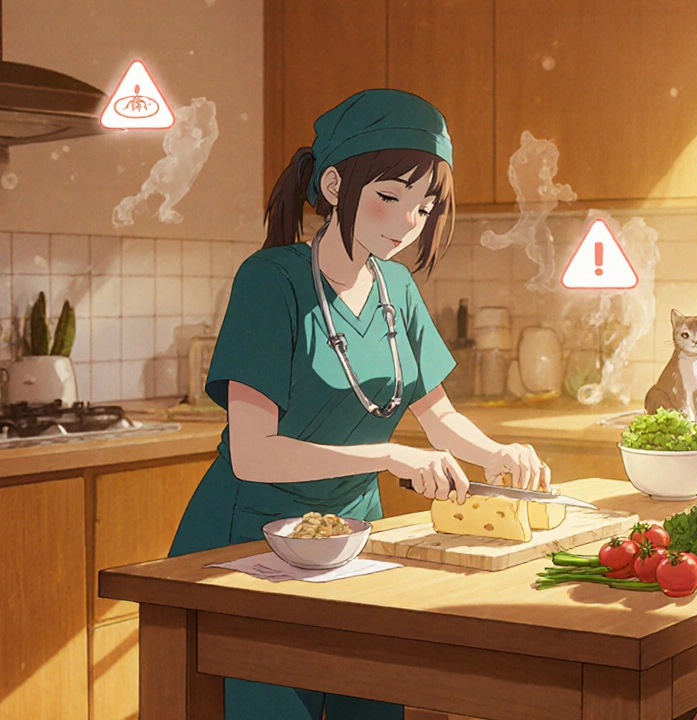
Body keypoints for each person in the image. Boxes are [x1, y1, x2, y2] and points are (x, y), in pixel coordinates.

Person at [168, 89, 551, 720]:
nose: (407, 223)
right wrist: (391, 455)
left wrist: (497, 454)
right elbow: (254, 455)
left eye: (424, 207)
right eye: (389, 197)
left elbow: (440, 415)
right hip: (250, 550)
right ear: (336, 183)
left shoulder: (396, 287)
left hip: (355, 550)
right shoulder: (271, 283)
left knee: (367, 706)